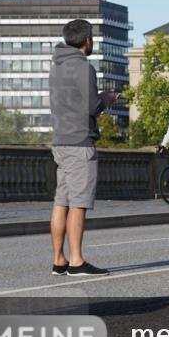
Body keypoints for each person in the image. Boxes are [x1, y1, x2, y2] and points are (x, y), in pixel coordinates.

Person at [48, 19, 119, 276]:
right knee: (78, 203)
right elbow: (92, 107)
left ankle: (59, 260)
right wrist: (107, 99)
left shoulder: (56, 65)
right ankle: (77, 261)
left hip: (60, 141)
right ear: (87, 40)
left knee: (61, 202)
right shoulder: (83, 67)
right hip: (80, 142)